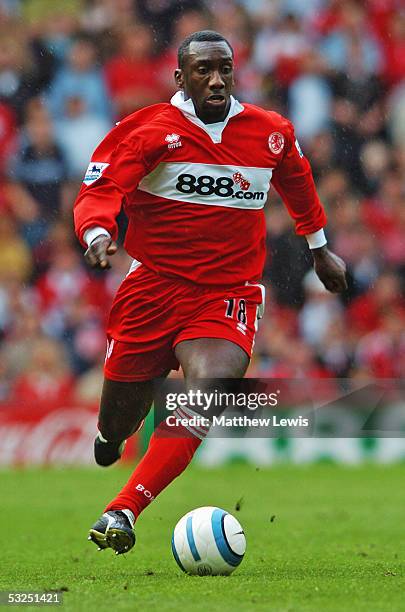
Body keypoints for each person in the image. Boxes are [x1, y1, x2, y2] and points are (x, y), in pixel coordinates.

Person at [73, 30, 347, 555]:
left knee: (208, 393)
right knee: (119, 420)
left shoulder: (269, 131)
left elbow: (297, 180)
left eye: (224, 68)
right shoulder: (148, 131)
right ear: (181, 77)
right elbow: (100, 189)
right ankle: (112, 435)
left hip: (228, 293)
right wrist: (98, 232)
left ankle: (122, 510)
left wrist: (319, 247)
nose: (216, 79)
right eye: (203, 70)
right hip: (151, 290)